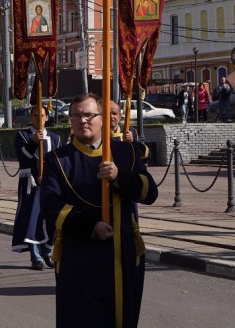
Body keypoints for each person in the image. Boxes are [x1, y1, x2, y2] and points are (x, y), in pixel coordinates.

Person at [39, 93, 159, 327]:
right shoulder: (56, 160)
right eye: (76, 115)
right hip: (79, 256)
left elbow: (149, 194)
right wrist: (90, 227)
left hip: (122, 253)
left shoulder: (128, 152)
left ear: (102, 119)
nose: (82, 120)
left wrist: (119, 177)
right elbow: (51, 206)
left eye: (89, 115)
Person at [13, 106, 61, 270]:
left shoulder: (55, 138)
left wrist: (48, 176)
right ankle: (36, 257)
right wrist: (33, 142)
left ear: (47, 117)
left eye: (42, 115)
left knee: (52, 219)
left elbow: (57, 161)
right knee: (33, 219)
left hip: (50, 184)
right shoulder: (23, 135)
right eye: (35, 115)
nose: (38, 118)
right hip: (31, 183)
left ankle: (47, 251)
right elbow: (23, 158)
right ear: (31, 117)